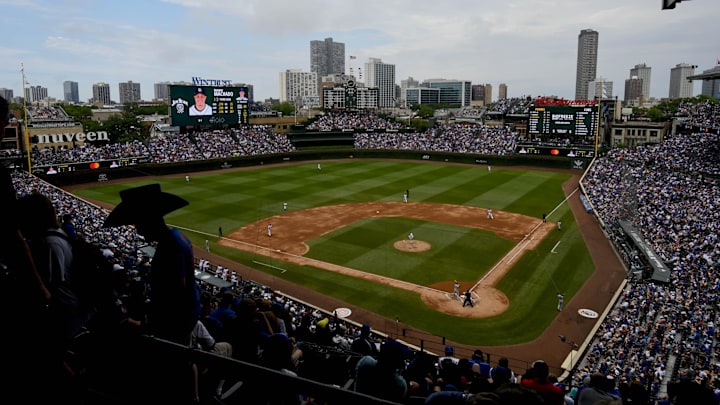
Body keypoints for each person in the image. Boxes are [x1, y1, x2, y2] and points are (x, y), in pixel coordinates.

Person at [103, 183, 201, 403]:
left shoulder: (170, 246)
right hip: (183, 316)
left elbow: (175, 292)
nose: (137, 229)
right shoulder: (176, 237)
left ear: (149, 219)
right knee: (185, 361)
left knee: (175, 366)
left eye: (138, 222)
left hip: (175, 323)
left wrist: (148, 325)